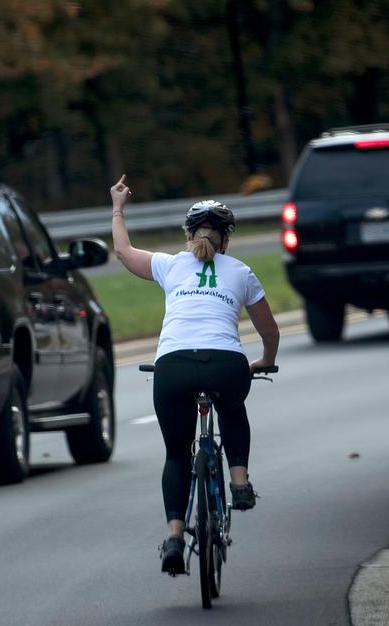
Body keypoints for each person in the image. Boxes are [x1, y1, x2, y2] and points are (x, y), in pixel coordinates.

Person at [109, 174, 280, 576]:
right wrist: (265, 359)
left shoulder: (169, 266)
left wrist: (118, 207)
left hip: (173, 366)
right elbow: (269, 331)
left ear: (189, 236)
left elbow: (122, 251)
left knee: (175, 453)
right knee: (233, 408)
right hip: (226, 364)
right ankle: (239, 482)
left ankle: (173, 536)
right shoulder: (240, 271)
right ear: (227, 240)